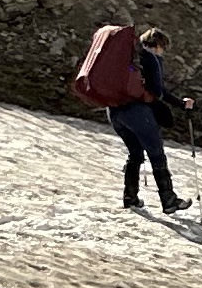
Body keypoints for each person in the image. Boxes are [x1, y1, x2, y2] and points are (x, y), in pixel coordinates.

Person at [78, 22, 194, 214]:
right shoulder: (150, 58)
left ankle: (130, 197)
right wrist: (180, 104)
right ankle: (169, 200)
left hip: (115, 112)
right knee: (157, 155)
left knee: (135, 155)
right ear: (158, 45)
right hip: (138, 113)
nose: (163, 52)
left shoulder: (128, 58)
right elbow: (158, 91)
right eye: (163, 48)